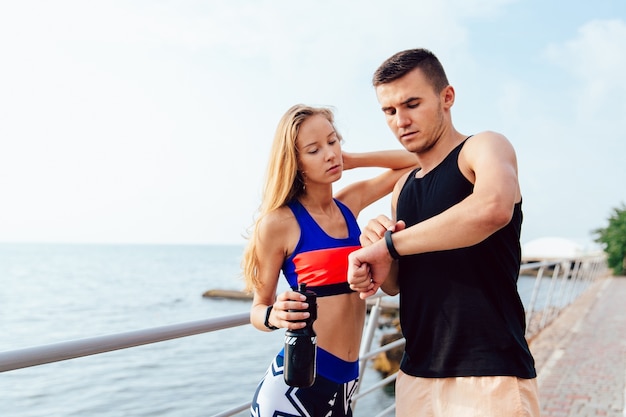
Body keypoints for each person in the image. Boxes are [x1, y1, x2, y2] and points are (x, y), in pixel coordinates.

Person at [346, 48, 540, 416]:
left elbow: (492, 208)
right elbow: (398, 283)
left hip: (489, 373)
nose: (401, 120)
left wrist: (389, 245)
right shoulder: (403, 188)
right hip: (415, 374)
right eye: (389, 111)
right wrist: (374, 259)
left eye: (412, 104)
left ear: (446, 97)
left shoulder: (482, 147)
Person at [242, 104, 417, 416]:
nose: (329, 154)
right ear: (294, 162)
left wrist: (352, 161)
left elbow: (416, 160)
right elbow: (258, 310)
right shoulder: (278, 223)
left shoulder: (350, 204)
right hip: (293, 390)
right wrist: (274, 316)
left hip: (345, 386)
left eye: (333, 141)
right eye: (314, 149)